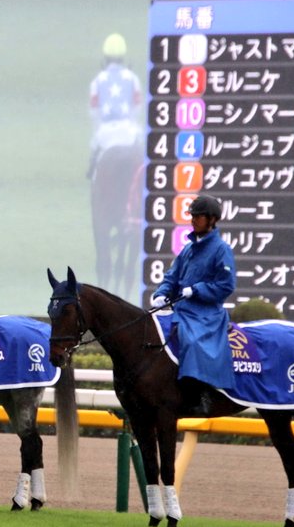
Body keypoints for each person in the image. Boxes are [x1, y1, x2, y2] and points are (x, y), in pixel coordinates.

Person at [149, 194, 236, 414]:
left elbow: (226, 285)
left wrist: (197, 290)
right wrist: (161, 293)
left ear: (212, 220)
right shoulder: (187, 249)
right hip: (182, 309)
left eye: (199, 216)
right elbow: (172, 276)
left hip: (205, 313)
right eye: (193, 215)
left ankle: (202, 394)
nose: (193, 219)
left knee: (191, 339)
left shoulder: (221, 249)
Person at [87, 32, 143, 179]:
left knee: (95, 157)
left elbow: (94, 112)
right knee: (145, 154)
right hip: (129, 131)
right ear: (123, 57)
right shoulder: (133, 78)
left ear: (105, 57)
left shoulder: (97, 80)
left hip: (105, 132)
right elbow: (137, 107)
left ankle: (93, 176)